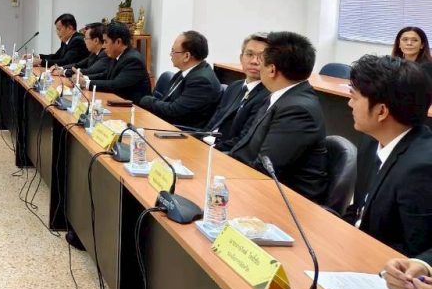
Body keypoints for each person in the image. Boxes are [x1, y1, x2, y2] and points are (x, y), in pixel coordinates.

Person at [343, 55, 432, 257]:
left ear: (381, 111)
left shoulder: (421, 169)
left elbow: (415, 251)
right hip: (356, 249)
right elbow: (358, 209)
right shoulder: (370, 142)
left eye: (354, 98)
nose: (349, 103)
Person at [230, 31, 328, 203]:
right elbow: (245, 147)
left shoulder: (298, 110)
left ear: (272, 69)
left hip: (287, 202)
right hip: (258, 186)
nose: (257, 65)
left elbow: (266, 168)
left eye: (261, 61)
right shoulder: (280, 96)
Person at [137, 30, 221, 129]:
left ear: (186, 56)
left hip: (183, 132)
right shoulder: (187, 72)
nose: (170, 54)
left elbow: (174, 110)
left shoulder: (202, 81)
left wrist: (146, 100)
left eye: (173, 51)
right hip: (168, 124)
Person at [204, 33, 270, 152]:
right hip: (207, 144)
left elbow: (244, 140)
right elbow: (214, 122)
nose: (254, 61)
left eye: (262, 56)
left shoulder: (268, 96)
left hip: (225, 153)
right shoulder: (234, 86)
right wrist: (199, 139)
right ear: (241, 58)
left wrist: (210, 150)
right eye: (249, 54)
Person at [87, 21, 151, 103]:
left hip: (135, 108)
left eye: (106, 42)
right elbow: (105, 75)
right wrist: (85, 78)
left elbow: (115, 85)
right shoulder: (117, 55)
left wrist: (87, 83)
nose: (103, 46)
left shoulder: (133, 60)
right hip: (118, 103)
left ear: (118, 42)